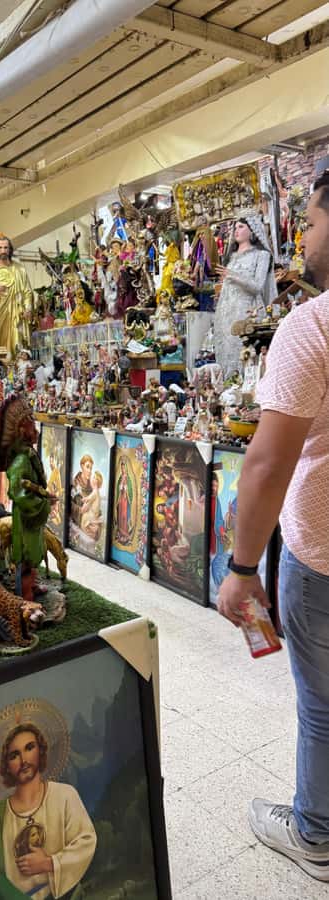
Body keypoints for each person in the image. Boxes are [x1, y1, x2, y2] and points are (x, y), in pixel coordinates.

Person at [217, 171, 329, 882]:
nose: (304, 236)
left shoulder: (311, 325)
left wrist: (240, 569)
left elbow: (265, 463)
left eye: (311, 221)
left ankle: (315, 834)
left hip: (321, 562)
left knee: (321, 704)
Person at [0, 722, 96, 900]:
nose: (23, 760)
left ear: (41, 751)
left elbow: (86, 841)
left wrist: (48, 863)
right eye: (14, 755)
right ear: (6, 766)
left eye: (29, 748)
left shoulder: (64, 796)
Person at [0, 396, 53, 603]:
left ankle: (32, 586)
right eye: (32, 428)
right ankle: (25, 596)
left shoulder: (28, 455)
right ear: (21, 431)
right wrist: (44, 503)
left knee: (34, 552)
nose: (36, 432)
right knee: (26, 556)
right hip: (26, 517)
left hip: (32, 519)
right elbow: (19, 493)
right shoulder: (20, 461)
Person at [214, 215, 277, 377]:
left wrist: (232, 275)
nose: (236, 230)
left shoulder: (261, 255)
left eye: (241, 227)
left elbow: (257, 286)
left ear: (253, 231)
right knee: (227, 358)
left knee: (247, 357)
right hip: (226, 315)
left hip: (247, 313)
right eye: (235, 227)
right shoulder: (232, 257)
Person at [0, 235, 35, 360]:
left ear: (10, 249)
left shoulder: (19, 269)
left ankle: (18, 366)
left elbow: (27, 291)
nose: (3, 251)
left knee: (17, 342)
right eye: (0, 248)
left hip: (16, 314)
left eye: (5, 247)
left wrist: (28, 308)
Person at [80, 471, 103, 541]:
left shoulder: (95, 492)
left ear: (97, 481)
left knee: (85, 519)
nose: (92, 479)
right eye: (93, 477)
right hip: (92, 515)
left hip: (92, 516)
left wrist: (84, 499)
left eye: (95, 478)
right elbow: (89, 498)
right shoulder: (95, 492)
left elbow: (89, 499)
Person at [115, 458, 133, 544]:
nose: (122, 469)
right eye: (121, 468)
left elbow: (130, 490)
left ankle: (125, 535)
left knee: (124, 517)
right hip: (120, 500)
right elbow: (118, 489)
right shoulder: (120, 478)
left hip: (125, 500)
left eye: (124, 468)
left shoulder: (128, 479)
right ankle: (120, 534)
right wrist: (121, 483)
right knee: (119, 516)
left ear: (126, 468)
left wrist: (125, 487)